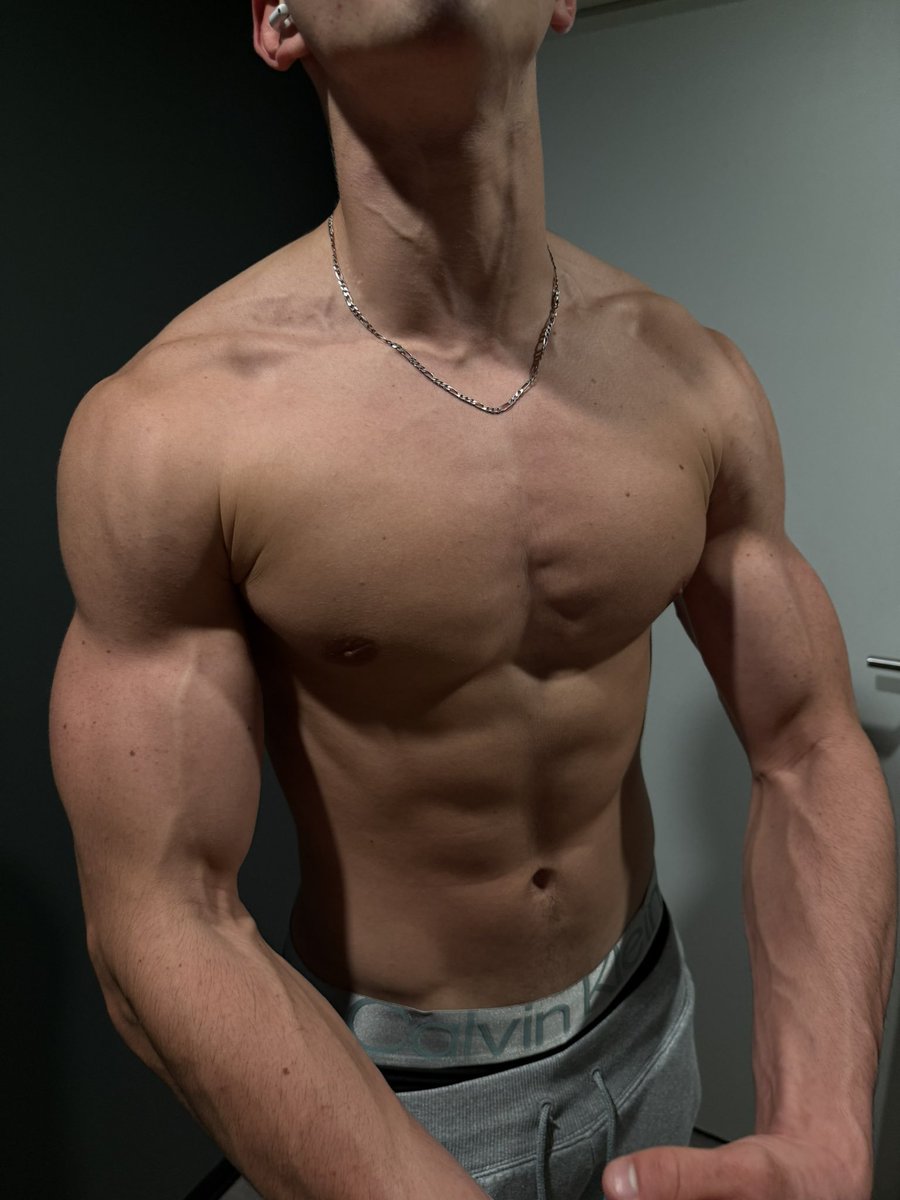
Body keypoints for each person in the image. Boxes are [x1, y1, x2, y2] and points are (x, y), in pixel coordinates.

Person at [48, 1, 897, 1198]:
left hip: (650, 1021)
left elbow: (807, 744)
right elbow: (159, 910)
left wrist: (824, 1130)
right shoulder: (168, 432)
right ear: (278, 20)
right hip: (382, 1096)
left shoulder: (692, 377)